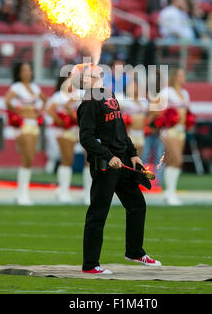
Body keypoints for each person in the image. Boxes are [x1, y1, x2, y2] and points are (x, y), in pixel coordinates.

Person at [72, 63, 161, 275]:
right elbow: (86, 138)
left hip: (122, 161)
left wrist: (133, 154)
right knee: (98, 213)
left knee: (137, 205)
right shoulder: (88, 103)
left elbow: (120, 128)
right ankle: (90, 265)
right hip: (106, 164)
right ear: (85, 80)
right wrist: (108, 156)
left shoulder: (108, 94)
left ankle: (134, 251)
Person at [4, 63, 46, 205]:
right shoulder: (16, 87)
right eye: (24, 70)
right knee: (26, 157)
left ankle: (22, 193)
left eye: (29, 70)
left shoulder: (35, 87)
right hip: (23, 125)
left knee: (30, 158)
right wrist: (18, 111)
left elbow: (44, 100)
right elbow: (7, 101)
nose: (28, 73)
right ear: (19, 73)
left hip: (34, 124)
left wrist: (38, 112)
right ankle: (21, 194)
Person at [46, 75, 91, 204]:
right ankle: (63, 191)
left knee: (90, 159)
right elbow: (49, 110)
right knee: (67, 159)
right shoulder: (59, 96)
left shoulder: (81, 93)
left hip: (80, 130)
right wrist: (61, 121)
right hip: (65, 131)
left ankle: (87, 193)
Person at [155, 69, 191, 206]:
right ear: (175, 77)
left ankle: (170, 192)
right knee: (178, 159)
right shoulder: (167, 92)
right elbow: (155, 108)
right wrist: (166, 118)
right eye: (181, 75)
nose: (183, 78)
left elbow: (187, 111)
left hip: (180, 130)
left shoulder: (185, 93)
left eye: (184, 75)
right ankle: (170, 193)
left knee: (172, 161)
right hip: (169, 131)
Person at [120, 79, 148, 158]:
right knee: (130, 156)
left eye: (135, 86)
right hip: (129, 133)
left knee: (139, 157)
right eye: (131, 86)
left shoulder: (144, 102)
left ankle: (136, 170)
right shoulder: (124, 101)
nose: (134, 88)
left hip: (141, 133)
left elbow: (151, 113)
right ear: (127, 88)